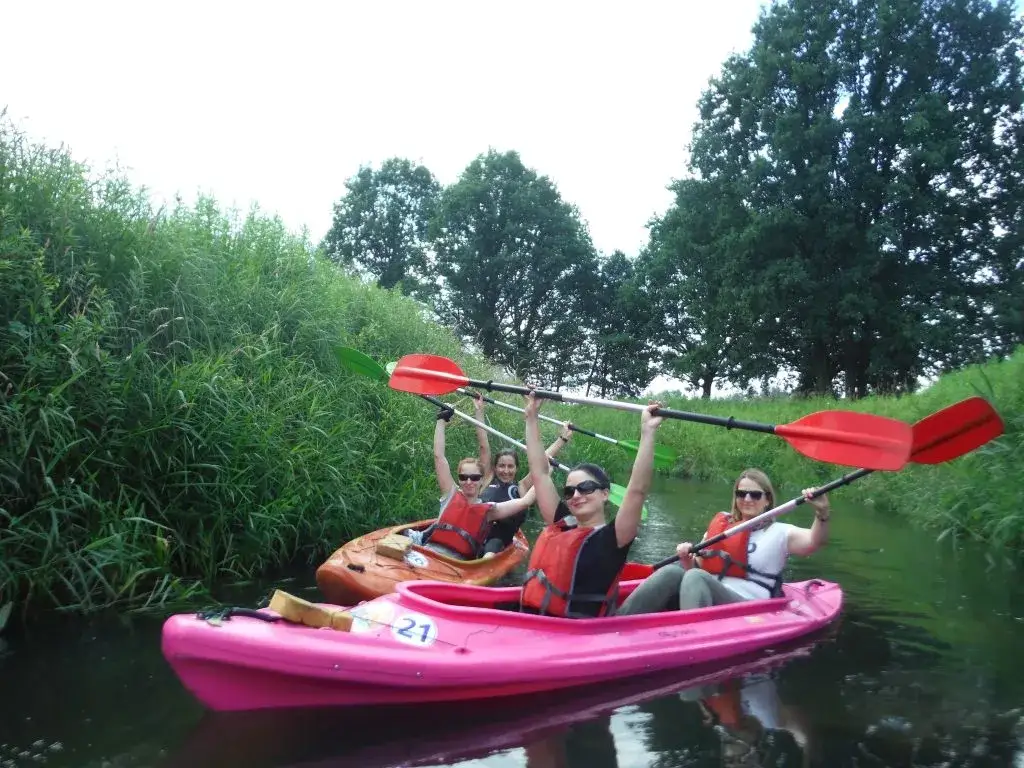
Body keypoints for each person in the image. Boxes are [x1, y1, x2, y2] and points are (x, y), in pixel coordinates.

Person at [517, 391, 665, 618]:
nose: (576, 495)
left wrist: (647, 432)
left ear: (605, 494)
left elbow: (637, 490)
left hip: (581, 634)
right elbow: (540, 472)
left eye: (585, 488)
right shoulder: (562, 522)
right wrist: (531, 417)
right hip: (537, 624)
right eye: (569, 491)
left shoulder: (614, 537)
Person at [617, 469, 831, 615]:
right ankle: (617, 622)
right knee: (673, 572)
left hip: (749, 605)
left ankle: (690, 635)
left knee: (695, 578)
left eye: (755, 495)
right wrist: (687, 559)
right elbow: (697, 567)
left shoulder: (779, 532)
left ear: (767, 500)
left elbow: (814, 542)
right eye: (741, 493)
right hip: (708, 592)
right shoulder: (723, 525)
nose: (747, 499)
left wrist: (822, 513)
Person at [406, 402, 538, 560]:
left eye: (474, 478)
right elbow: (439, 457)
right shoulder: (450, 494)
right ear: (459, 480)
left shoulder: (489, 511)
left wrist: (544, 473)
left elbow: (525, 501)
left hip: (457, 565)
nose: (469, 481)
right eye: (463, 477)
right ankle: (419, 537)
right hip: (427, 552)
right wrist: (441, 421)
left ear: (483, 480)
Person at [479, 411, 575, 556]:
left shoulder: (522, 486)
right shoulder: (486, 479)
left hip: (497, 540)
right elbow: (484, 446)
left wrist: (562, 439)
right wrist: (479, 410)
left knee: (492, 546)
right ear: (495, 467)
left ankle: (484, 564)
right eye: (501, 466)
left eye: (510, 466)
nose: (506, 471)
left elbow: (541, 460)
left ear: (516, 468)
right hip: (476, 529)